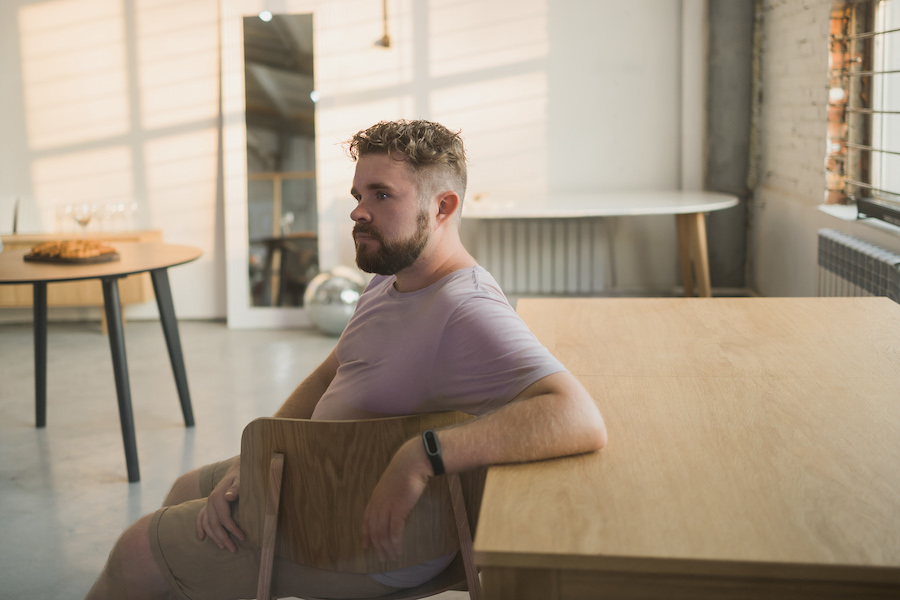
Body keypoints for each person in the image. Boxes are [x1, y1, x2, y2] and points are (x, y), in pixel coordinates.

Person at [85, 119, 607, 600]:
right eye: (359, 195)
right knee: (183, 491)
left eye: (382, 195)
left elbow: (577, 415)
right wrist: (263, 453)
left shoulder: (463, 308)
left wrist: (420, 457)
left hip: (369, 535)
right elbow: (338, 365)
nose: (359, 210)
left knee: (135, 551)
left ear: (443, 208)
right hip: (328, 477)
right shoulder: (391, 278)